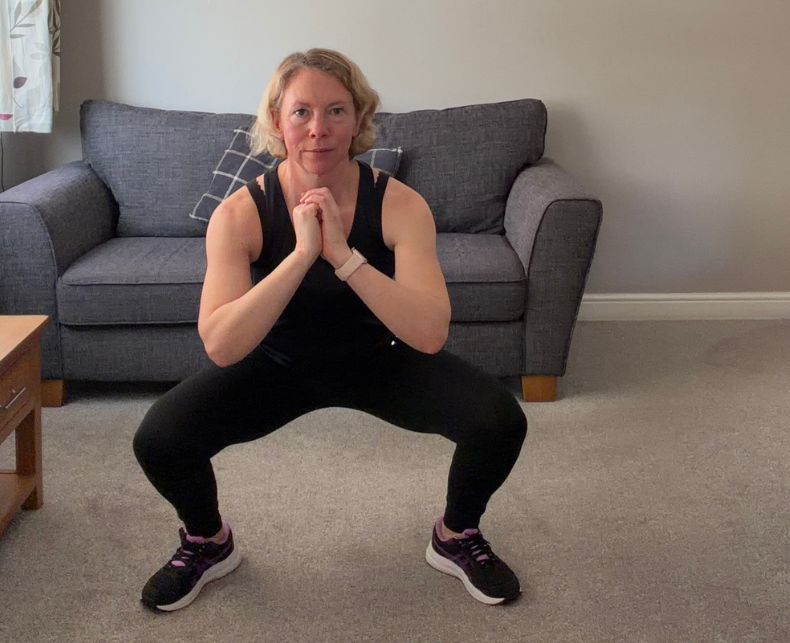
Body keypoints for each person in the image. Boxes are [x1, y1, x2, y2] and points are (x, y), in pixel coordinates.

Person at [131, 49, 530, 612]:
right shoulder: (239, 214)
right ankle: (207, 541)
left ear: (359, 118)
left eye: (336, 111)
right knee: (159, 439)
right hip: (277, 366)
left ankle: (456, 535)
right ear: (277, 121)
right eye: (301, 112)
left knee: (500, 421)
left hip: (377, 359)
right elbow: (221, 345)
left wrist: (343, 256)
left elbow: (429, 334)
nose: (318, 129)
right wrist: (301, 255)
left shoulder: (400, 205)